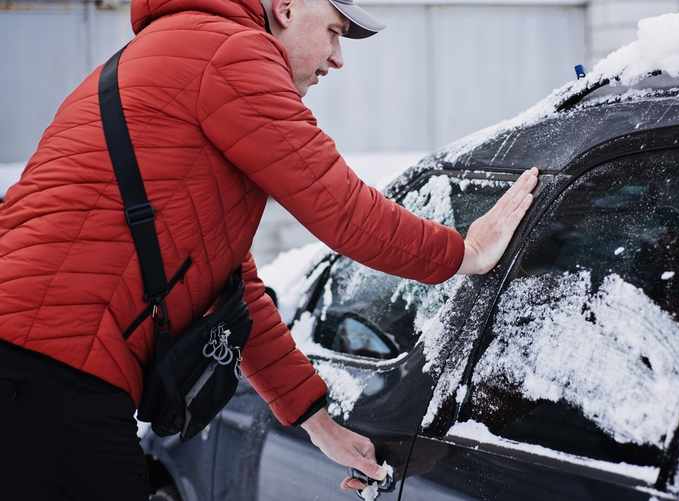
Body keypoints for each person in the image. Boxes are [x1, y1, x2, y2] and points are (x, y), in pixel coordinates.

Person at [0, 0, 539, 498]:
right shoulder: (232, 51)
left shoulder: (186, 51)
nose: (337, 58)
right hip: (47, 368)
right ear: (285, 7)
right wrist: (464, 252)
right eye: (333, 31)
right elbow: (343, 210)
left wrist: (318, 424)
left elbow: (231, 292)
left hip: (36, 363)